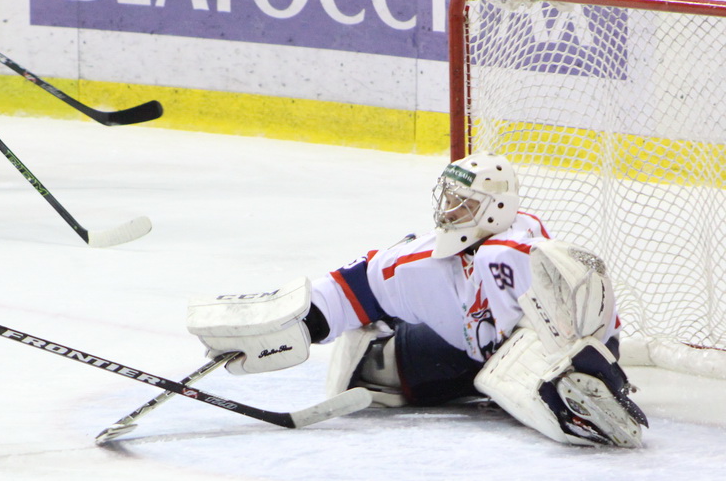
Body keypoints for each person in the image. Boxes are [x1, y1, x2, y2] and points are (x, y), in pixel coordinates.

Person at [186, 152, 648, 447]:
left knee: (547, 392)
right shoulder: (427, 260)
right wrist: (297, 324)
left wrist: (599, 360)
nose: (449, 211)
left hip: (527, 356)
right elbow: (356, 285)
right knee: (372, 371)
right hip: (469, 353)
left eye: (463, 203)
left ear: (497, 209)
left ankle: (570, 385)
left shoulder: (526, 254)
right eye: (448, 197)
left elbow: (593, 312)